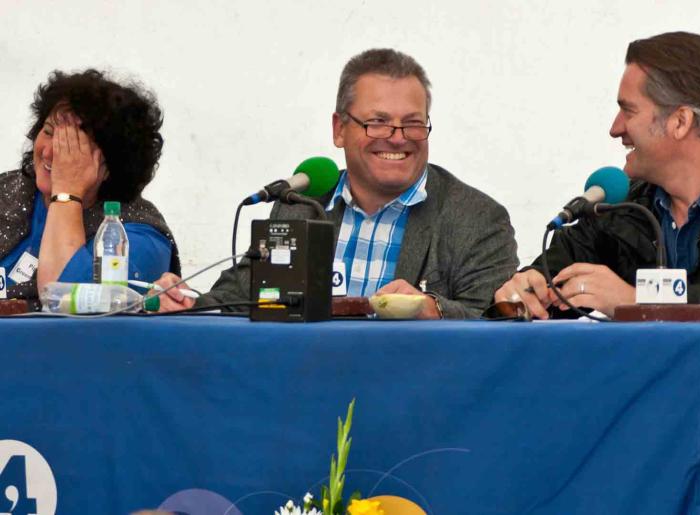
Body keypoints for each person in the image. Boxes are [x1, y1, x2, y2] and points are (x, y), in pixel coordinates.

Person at [157, 48, 517, 318]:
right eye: (377, 122)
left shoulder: (476, 219)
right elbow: (243, 298)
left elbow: (496, 326)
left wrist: (434, 311)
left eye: (413, 123)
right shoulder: (300, 203)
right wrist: (186, 302)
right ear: (339, 129)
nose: (397, 138)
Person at [495, 31, 700, 320]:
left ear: (680, 121)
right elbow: (546, 278)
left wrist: (637, 302)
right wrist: (524, 291)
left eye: (628, 110)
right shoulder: (620, 212)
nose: (616, 128)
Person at [0, 69, 181, 305]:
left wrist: (66, 192)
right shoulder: (9, 190)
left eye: (73, 145)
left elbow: (66, 301)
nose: (50, 150)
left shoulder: (140, 235)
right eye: (48, 132)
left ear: (110, 163)